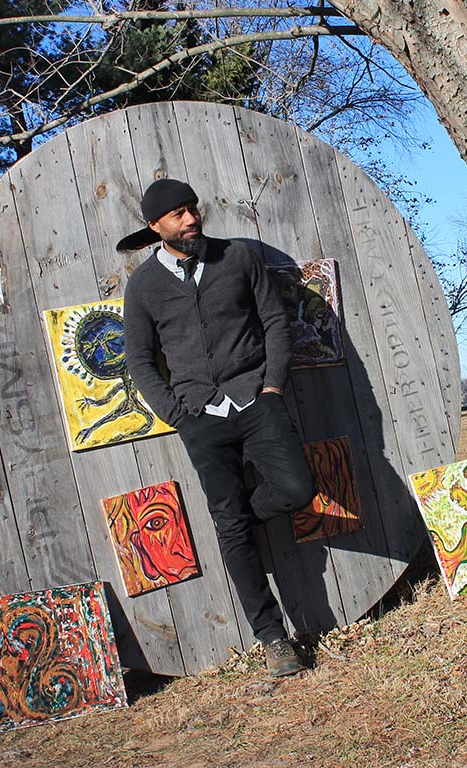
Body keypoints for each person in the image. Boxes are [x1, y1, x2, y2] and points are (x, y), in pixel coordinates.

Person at [120, 178, 316, 677]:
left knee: (296, 488)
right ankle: (273, 638)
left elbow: (275, 322)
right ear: (155, 226)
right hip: (199, 417)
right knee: (229, 528)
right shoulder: (142, 286)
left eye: (193, 209)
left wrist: (272, 385)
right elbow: (140, 360)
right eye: (178, 215)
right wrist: (176, 413)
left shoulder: (240, 258)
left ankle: (240, 522)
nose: (190, 219)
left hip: (257, 399)